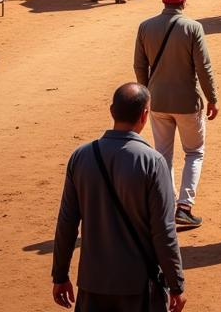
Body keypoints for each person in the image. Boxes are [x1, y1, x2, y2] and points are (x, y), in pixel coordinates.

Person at [52, 83, 186, 312]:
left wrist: (60, 274)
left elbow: (66, 223)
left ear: (112, 111)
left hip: (92, 284)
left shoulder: (81, 157)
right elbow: (164, 232)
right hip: (138, 285)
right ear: (145, 115)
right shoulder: (153, 162)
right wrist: (176, 284)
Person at [134, 0, 218, 231]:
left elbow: (140, 66)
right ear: (183, 1)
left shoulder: (145, 27)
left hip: (157, 101)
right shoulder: (193, 28)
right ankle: (184, 207)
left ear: (163, 1)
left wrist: (146, 93)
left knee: (163, 155)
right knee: (194, 152)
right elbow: (203, 67)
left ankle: (168, 207)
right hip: (187, 101)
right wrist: (212, 97)